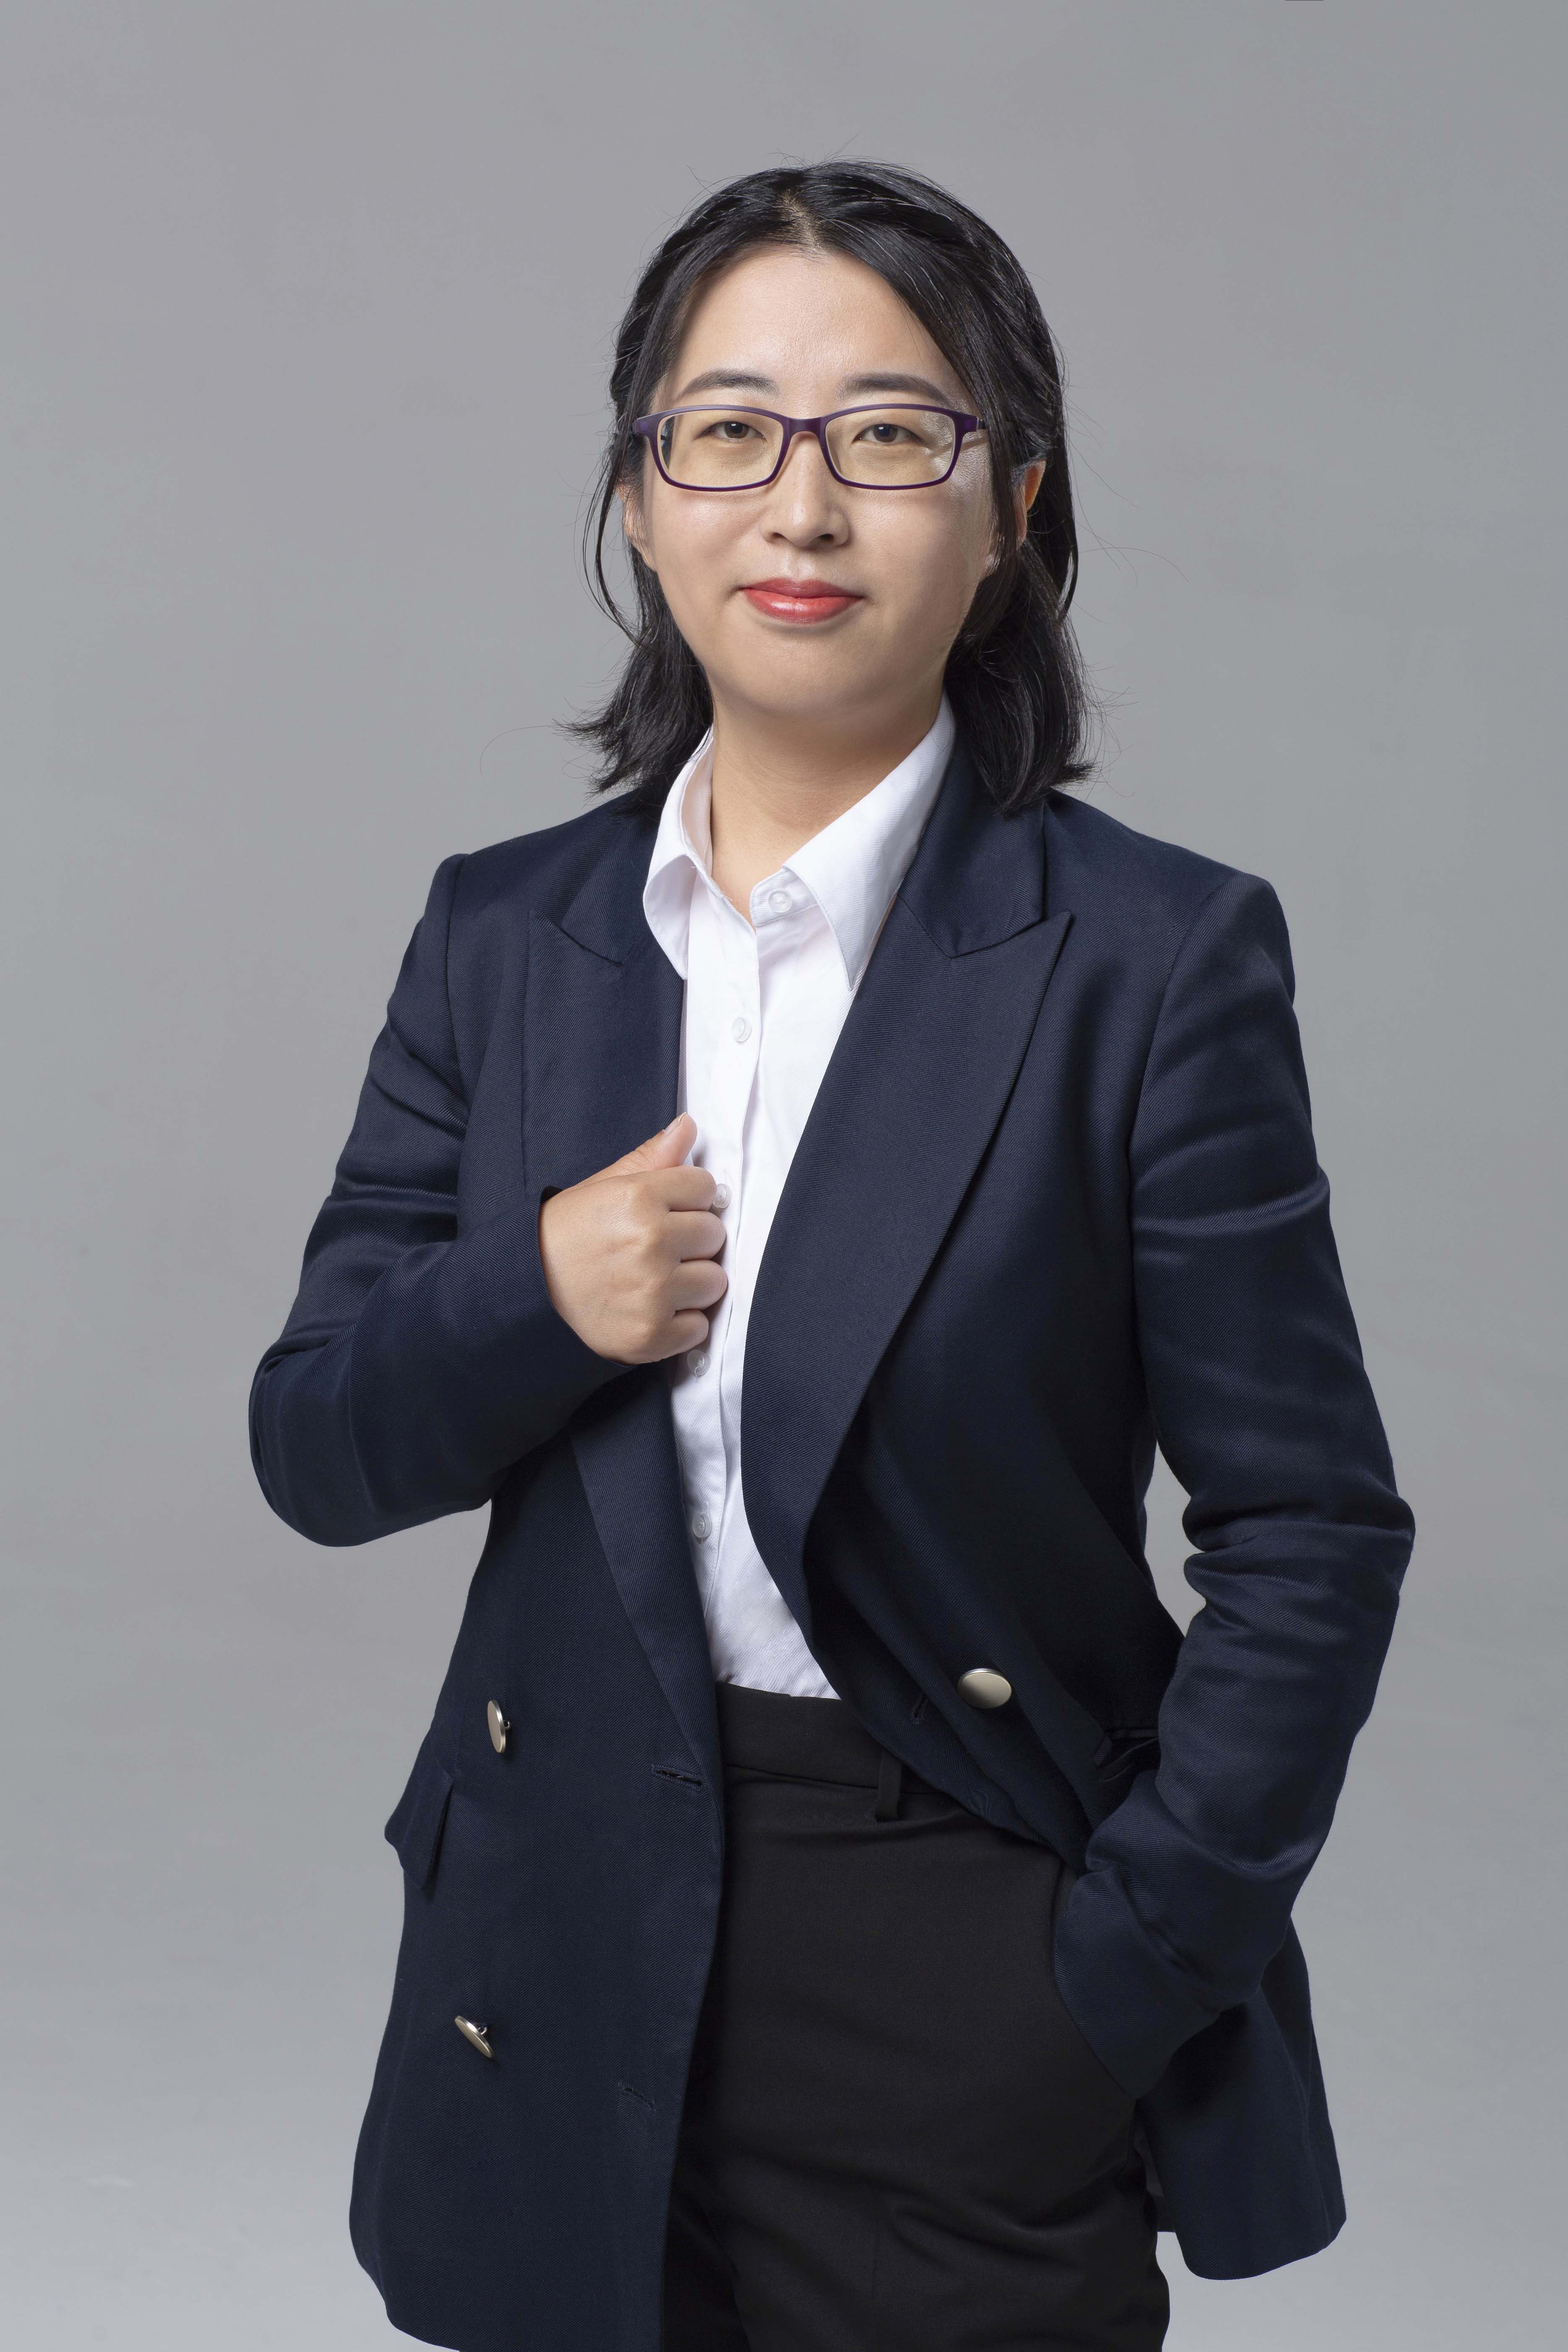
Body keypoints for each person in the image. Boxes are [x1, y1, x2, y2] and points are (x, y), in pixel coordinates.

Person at [250, 161, 1415, 2352]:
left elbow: (1313, 1530)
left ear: (1011, 511)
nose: (801, 505)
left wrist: (1109, 1977)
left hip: (958, 1938)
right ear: (640, 494)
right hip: (555, 1924)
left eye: (889, 435)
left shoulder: (1152, 958)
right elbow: (314, 1443)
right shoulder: (504, 933)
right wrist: (537, 1296)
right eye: (729, 431)